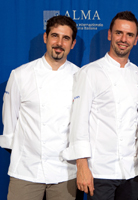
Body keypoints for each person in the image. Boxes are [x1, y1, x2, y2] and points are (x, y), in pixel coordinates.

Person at [62, 11, 138, 200]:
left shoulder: (136, 73)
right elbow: (78, 122)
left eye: (129, 35)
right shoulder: (89, 73)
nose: (124, 39)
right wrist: (82, 167)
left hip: (132, 170)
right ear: (109, 34)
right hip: (100, 172)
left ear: (135, 40)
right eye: (119, 33)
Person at [0, 15, 79, 200]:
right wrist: (22, 153)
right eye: (55, 36)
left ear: (73, 44)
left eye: (66, 38)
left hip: (65, 172)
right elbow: (9, 123)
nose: (59, 43)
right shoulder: (20, 75)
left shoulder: (81, 76)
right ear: (45, 38)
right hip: (26, 170)